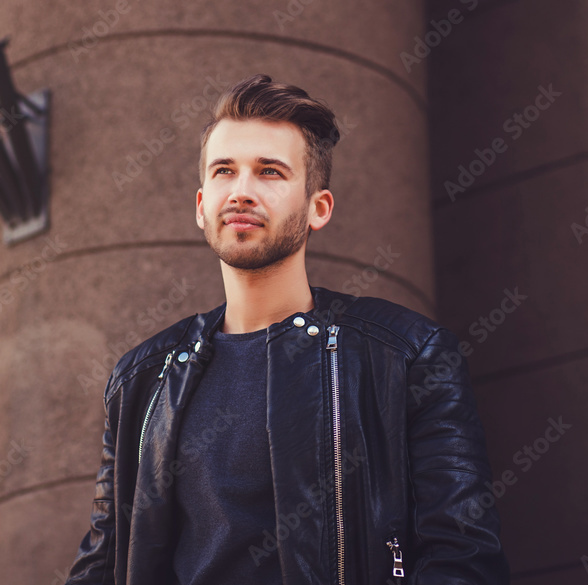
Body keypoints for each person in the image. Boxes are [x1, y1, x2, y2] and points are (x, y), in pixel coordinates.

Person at [64, 73, 509, 584]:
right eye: (224, 171)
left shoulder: (406, 355)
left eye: (270, 172)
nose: (242, 191)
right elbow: (101, 566)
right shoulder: (141, 381)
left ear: (318, 207)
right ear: (201, 205)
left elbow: (464, 557)